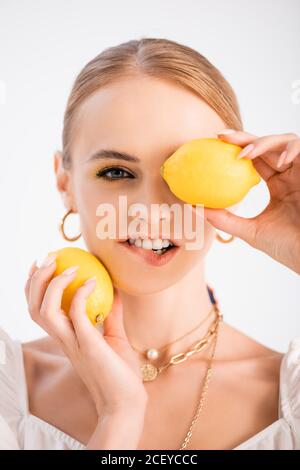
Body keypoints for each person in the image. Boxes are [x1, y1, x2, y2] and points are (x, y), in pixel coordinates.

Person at [0, 37, 299, 450]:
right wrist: (119, 417)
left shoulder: (290, 404)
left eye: (184, 171)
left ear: (230, 187)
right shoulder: (8, 396)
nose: (151, 209)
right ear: (64, 183)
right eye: (117, 173)